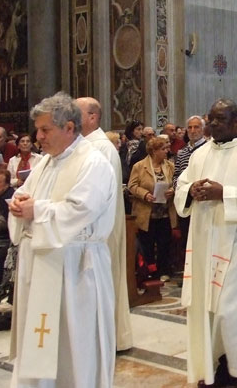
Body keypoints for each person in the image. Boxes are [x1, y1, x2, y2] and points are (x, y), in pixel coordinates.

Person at [8, 92, 117, 387]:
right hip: (42, 262)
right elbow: (25, 195)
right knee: (40, 340)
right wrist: (19, 205)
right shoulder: (46, 163)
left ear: (69, 127)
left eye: (45, 130)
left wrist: (36, 209)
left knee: (74, 346)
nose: (38, 137)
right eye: (38, 130)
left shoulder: (93, 162)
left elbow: (81, 209)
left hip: (75, 268)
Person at [174, 98, 237, 386]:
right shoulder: (199, 154)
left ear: (236, 124)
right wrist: (190, 190)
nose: (211, 124)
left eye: (218, 120)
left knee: (231, 311)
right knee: (206, 308)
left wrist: (225, 193)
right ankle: (216, 361)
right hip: (205, 240)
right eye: (210, 118)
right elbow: (181, 185)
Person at [75, 96, 133, 352]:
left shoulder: (99, 148)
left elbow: (96, 195)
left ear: (92, 117)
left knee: (104, 281)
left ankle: (107, 339)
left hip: (100, 230)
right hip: (90, 230)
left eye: (75, 113)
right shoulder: (85, 145)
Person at [129, 136, 176, 282]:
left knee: (164, 243)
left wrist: (172, 190)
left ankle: (164, 270)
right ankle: (150, 270)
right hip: (146, 212)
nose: (167, 151)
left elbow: (176, 183)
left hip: (164, 212)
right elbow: (132, 186)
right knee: (147, 244)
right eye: (163, 149)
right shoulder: (139, 166)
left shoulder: (170, 166)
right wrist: (145, 194)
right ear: (154, 151)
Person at [173, 115, 207, 263]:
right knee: (186, 239)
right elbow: (176, 176)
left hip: (203, 201)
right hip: (186, 200)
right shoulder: (182, 152)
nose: (193, 131)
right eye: (190, 127)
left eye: (196, 127)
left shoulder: (208, 149)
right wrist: (181, 189)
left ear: (203, 129)